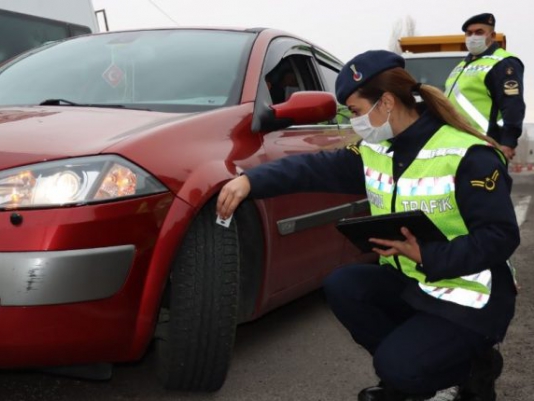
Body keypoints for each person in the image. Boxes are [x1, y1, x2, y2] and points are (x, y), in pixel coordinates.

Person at [216, 50, 520, 401]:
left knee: (398, 368)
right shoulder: (378, 150)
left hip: (472, 295)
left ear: (386, 103)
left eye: (357, 111)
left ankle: (473, 366)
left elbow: (500, 237)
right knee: (344, 285)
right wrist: (250, 182)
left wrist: (428, 254)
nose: (355, 121)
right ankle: (416, 365)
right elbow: (312, 168)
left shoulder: (469, 154)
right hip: (416, 281)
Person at [445, 13, 526, 161]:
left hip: (486, 145)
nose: (473, 37)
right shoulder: (462, 65)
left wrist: (508, 142)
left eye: (479, 32)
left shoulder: (503, 63)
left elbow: (512, 104)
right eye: (469, 33)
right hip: (456, 144)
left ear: (492, 35)